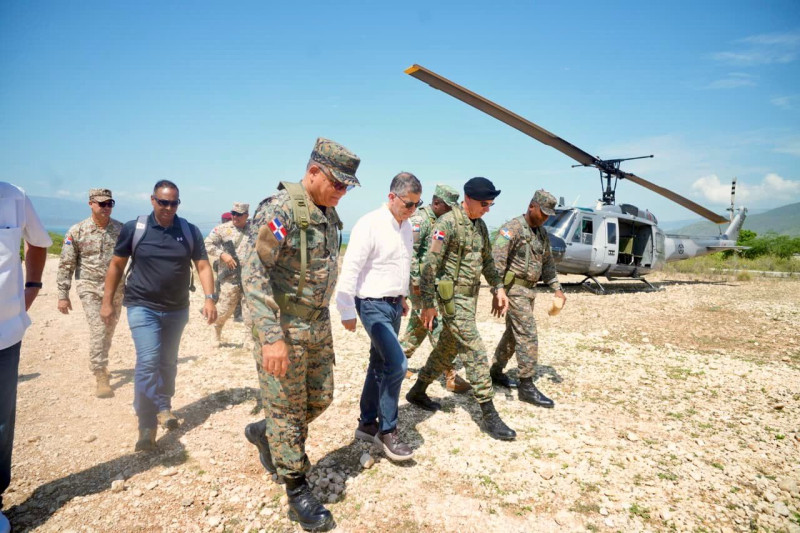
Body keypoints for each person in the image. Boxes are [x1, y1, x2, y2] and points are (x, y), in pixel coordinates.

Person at [242, 137, 359, 532]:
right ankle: (296, 489)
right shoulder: (280, 211)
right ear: (313, 172)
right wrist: (271, 336)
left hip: (317, 323)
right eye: (338, 184)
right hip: (285, 326)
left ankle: (267, 432)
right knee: (289, 410)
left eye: (347, 187)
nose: (342, 192)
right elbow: (253, 275)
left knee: (321, 396)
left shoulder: (327, 213)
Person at [100, 180, 217, 452]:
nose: (168, 207)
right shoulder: (135, 228)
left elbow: (202, 265)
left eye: (173, 203)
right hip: (142, 305)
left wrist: (210, 299)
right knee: (148, 360)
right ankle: (146, 423)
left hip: (177, 308)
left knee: (167, 361)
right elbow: (117, 265)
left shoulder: (188, 230)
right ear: (152, 200)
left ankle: (164, 406)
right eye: (163, 202)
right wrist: (107, 302)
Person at [405, 177, 517, 441]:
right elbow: (429, 266)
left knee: (447, 347)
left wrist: (498, 287)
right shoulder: (447, 224)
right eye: (484, 203)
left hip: (469, 299)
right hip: (451, 300)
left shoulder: (480, 226)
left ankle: (418, 390)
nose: (487, 208)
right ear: (467, 199)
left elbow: (488, 261)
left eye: (490, 204)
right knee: (474, 349)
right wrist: (429, 305)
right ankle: (489, 413)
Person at [336, 172, 421, 462]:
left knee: (379, 361)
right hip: (370, 304)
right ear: (392, 197)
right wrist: (346, 309)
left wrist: (402, 295)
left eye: (416, 206)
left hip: (394, 304)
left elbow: (400, 263)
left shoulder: (407, 226)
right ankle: (387, 431)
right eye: (408, 204)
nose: (411, 210)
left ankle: (367, 422)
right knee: (397, 364)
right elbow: (351, 267)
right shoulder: (370, 223)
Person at [0, 182, 51, 533]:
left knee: (0, 423)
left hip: (4, 334)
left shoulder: (14, 196)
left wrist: (32, 287)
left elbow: (39, 242)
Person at [491, 189, 565, 408]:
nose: (544, 217)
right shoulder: (512, 229)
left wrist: (557, 289)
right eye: (542, 212)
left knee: (513, 335)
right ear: (531, 206)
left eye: (548, 215)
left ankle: (495, 371)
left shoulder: (541, 234)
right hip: (513, 291)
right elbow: (497, 263)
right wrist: (498, 291)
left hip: (529, 292)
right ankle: (526, 385)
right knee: (528, 334)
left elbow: (548, 265)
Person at [399, 183, 470, 393]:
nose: (450, 210)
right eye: (447, 206)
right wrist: (416, 286)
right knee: (433, 323)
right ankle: (451, 375)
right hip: (420, 284)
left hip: (433, 283)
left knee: (420, 325)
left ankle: (396, 361)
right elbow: (409, 254)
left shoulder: (441, 221)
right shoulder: (419, 221)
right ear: (436, 202)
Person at [56, 188, 124, 398]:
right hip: (89, 287)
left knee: (109, 328)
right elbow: (66, 263)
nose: (106, 208)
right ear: (90, 204)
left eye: (109, 203)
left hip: (116, 289)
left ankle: (101, 361)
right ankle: (100, 373)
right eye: (101, 203)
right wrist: (63, 294)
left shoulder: (122, 230)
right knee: (98, 328)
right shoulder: (76, 231)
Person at [204, 202, 252, 343]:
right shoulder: (222, 229)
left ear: (246, 216)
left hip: (249, 276)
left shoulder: (253, 229)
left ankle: (249, 340)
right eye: (233, 213)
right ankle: (216, 330)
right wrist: (222, 254)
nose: (234, 217)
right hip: (230, 276)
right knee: (226, 308)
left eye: (239, 214)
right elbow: (207, 244)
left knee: (249, 310)